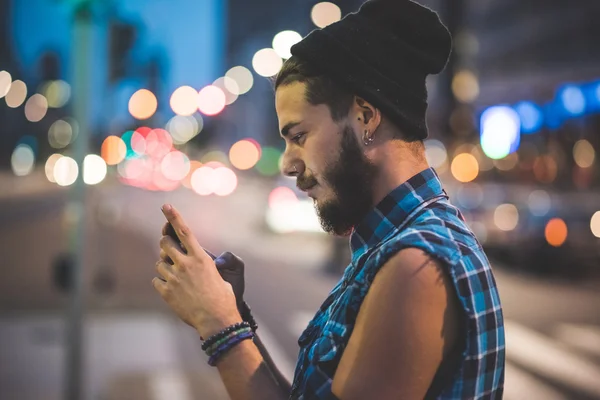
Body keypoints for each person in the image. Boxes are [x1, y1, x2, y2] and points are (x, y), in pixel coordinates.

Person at [152, 0, 506, 399]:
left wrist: (218, 325)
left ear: (366, 117)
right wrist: (234, 316)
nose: (287, 163)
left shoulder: (415, 263)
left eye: (299, 136)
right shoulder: (395, 245)